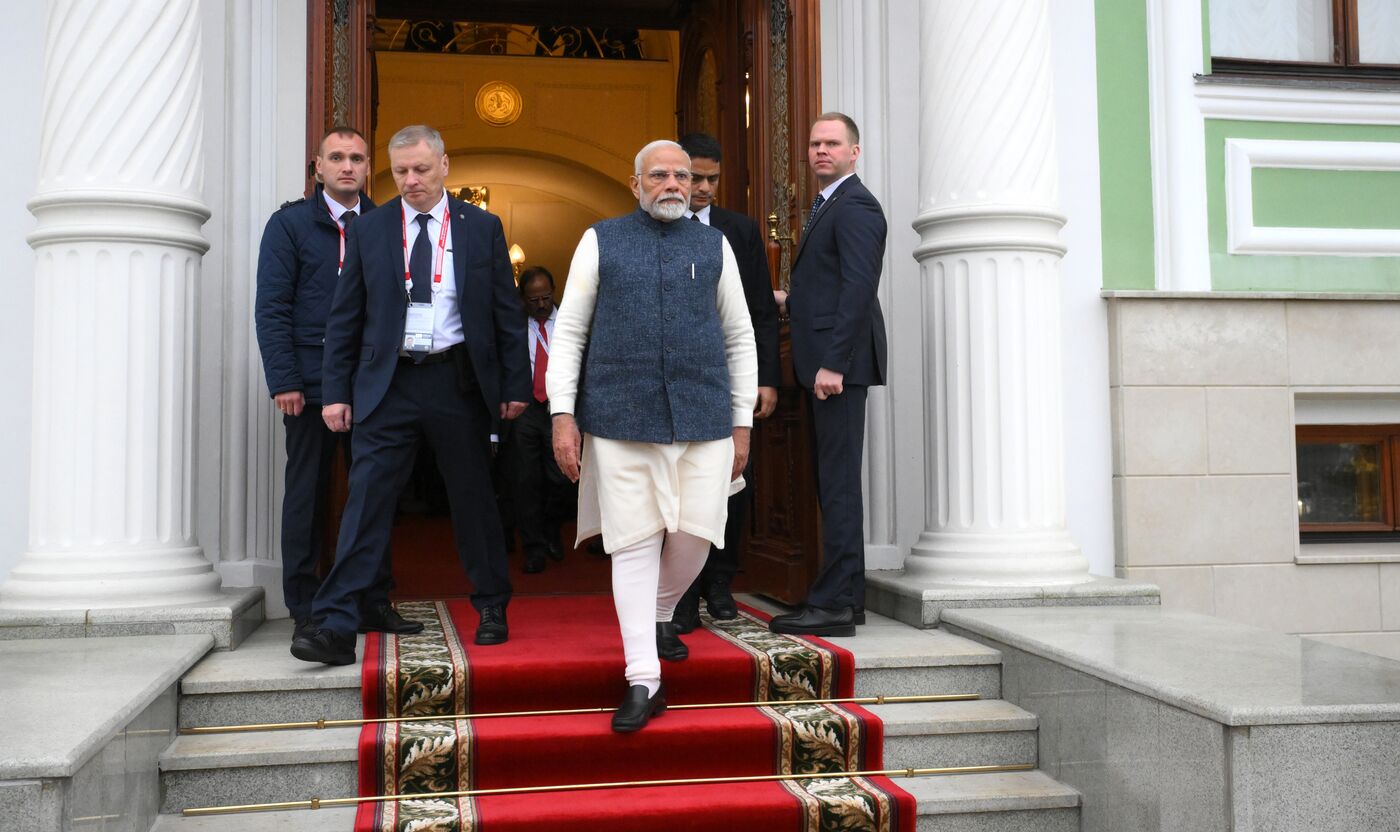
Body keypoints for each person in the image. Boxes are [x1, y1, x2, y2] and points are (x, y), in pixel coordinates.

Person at [291, 124, 530, 665]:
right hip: (387, 384)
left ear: (445, 166)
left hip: (457, 381)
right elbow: (345, 315)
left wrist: (514, 384)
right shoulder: (372, 229)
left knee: (473, 499)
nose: (411, 180)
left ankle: (491, 604)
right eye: (400, 171)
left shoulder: (481, 226)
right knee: (366, 501)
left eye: (421, 169)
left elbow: (505, 313)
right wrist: (334, 392)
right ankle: (334, 624)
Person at [549, 139, 757, 732]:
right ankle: (643, 677)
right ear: (635, 182)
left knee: (696, 535)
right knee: (634, 543)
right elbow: (569, 333)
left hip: (705, 417)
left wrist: (741, 421)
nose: (672, 183)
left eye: (682, 175)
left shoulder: (714, 245)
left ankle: (662, 610)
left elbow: (740, 336)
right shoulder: (601, 239)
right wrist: (563, 415)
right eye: (659, 174)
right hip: (618, 420)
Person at [254, 127, 420, 643]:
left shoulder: (388, 223)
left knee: (373, 495)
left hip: (372, 382)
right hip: (307, 382)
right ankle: (305, 603)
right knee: (307, 492)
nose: (347, 166)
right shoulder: (289, 226)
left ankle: (371, 598)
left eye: (356, 158)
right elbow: (272, 307)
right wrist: (284, 378)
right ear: (318, 167)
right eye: (337, 158)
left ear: (368, 167)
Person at [769, 113, 887, 638]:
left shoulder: (856, 204)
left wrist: (834, 363)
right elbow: (831, 284)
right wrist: (789, 300)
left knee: (837, 485)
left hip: (836, 367)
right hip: (825, 362)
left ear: (854, 152)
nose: (821, 151)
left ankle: (834, 603)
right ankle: (850, 597)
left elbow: (858, 290)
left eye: (832, 143)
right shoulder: (827, 204)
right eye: (815, 143)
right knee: (833, 481)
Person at [671, 132, 780, 631]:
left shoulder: (740, 229)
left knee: (733, 481)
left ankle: (719, 584)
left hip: (730, 378)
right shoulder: (656, 228)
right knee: (678, 487)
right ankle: (682, 593)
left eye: (713, 179)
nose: (704, 188)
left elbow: (760, 311)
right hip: (675, 379)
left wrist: (766, 379)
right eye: (696, 177)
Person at [508, 265, 571, 574]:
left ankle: (551, 529)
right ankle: (533, 547)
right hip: (526, 408)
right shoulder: (515, 325)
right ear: (523, 299)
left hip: (560, 408)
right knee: (526, 480)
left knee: (561, 477)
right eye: (534, 300)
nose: (542, 305)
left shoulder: (571, 323)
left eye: (546, 297)